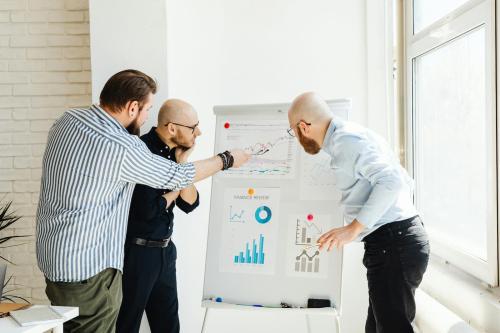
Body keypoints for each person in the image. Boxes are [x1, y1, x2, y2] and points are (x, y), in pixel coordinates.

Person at [36, 69, 250, 333]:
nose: (149, 116)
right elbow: (175, 176)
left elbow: (186, 200)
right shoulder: (122, 146)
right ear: (132, 107)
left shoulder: (68, 120)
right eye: (148, 109)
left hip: (54, 259)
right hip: (89, 267)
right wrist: (226, 159)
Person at [288, 92, 429, 333]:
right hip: (396, 241)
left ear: (304, 127)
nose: (297, 138)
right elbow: (406, 181)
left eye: (294, 132)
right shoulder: (356, 135)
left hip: (393, 244)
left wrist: (353, 229)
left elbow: (392, 181)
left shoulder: (346, 143)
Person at [116, 99, 201, 333]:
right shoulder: (141, 151)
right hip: (138, 255)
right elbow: (148, 210)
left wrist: (183, 164)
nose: (199, 132)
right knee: (127, 324)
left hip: (165, 252)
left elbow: (190, 203)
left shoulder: (176, 154)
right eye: (193, 127)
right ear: (172, 128)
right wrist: (177, 184)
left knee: (169, 326)